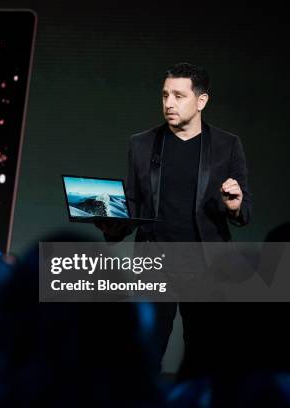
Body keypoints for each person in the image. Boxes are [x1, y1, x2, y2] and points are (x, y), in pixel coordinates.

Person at [96, 63, 252, 377]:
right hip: (155, 261)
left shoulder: (227, 145)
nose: (169, 103)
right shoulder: (142, 144)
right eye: (165, 94)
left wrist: (234, 205)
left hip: (206, 264)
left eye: (179, 96)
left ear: (201, 101)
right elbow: (135, 207)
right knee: (145, 351)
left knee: (205, 355)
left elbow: (244, 212)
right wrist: (110, 222)